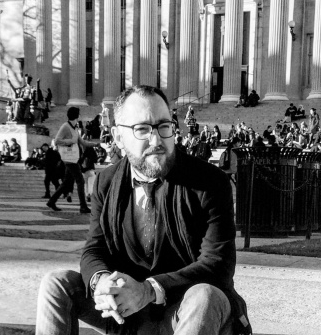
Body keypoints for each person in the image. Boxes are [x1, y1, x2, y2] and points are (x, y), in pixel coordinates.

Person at [35, 85, 251, 335]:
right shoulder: (106, 182)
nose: (157, 140)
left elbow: (218, 264)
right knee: (56, 284)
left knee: (205, 295)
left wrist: (149, 290)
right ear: (118, 137)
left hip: (185, 308)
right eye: (142, 129)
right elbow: (95, 247)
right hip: (129, 314)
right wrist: (101, 282)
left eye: (164, 126)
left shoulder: (210, 182)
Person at [47, 107, 94, 213]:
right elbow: (57, 140)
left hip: (74, 158)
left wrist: (95, 144)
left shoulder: (75, 128)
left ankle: (52, 201)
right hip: (69, 159)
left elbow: (82, 142)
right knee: (80, 181)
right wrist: (70, 141)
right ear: (77, 115)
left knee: (66, 182)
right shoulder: (65, 126)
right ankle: (83, 206)